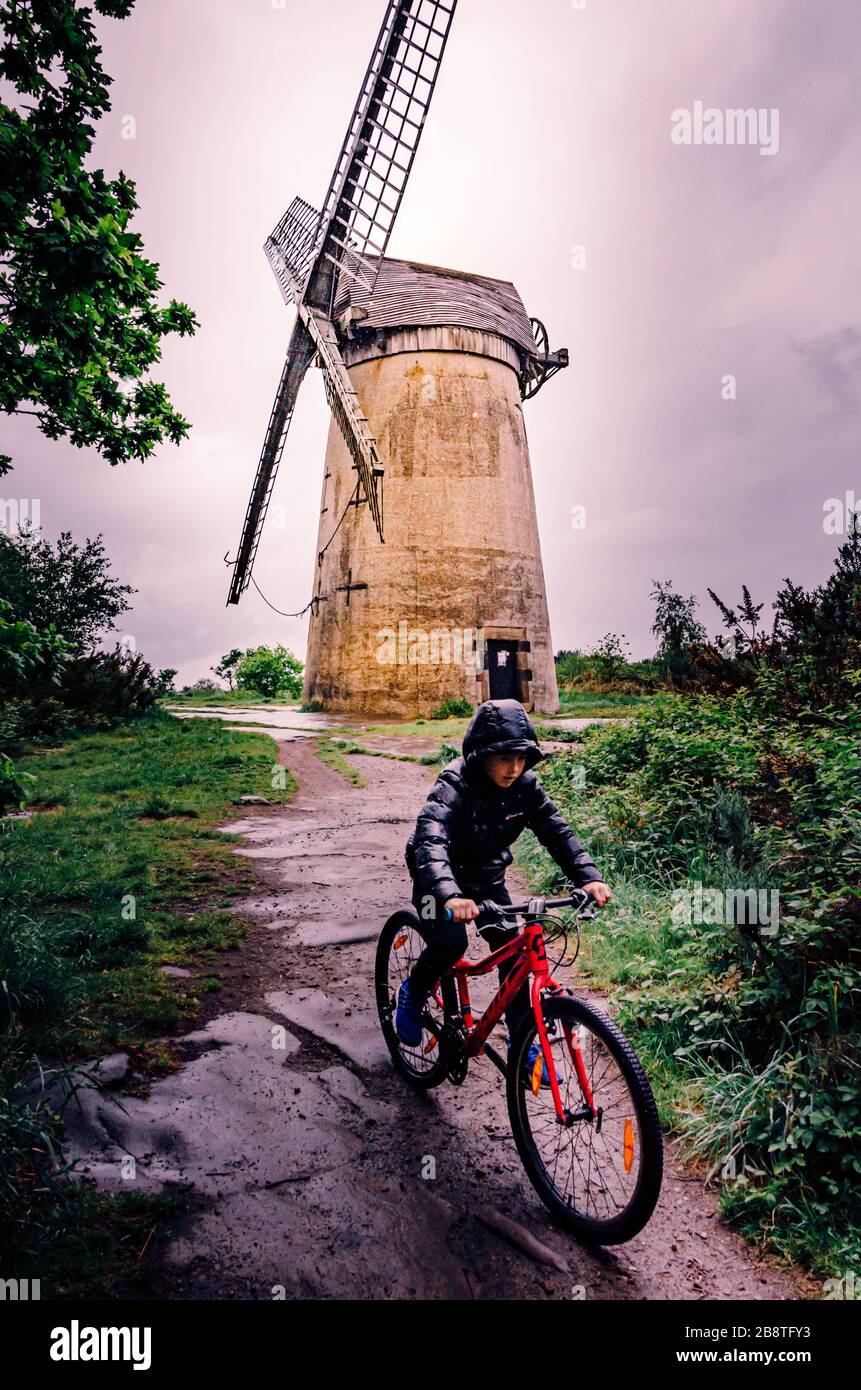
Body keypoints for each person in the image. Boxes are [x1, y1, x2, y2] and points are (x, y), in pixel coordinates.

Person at [396, 698, 612, 1057]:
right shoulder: (455, 782)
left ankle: (521, 1041)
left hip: (486, 877)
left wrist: (587, 877)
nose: (514, 768)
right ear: (480, 754)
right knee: (451, 944)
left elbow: (557, 832)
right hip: (437, 879)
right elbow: (430, 838)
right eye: (504, 758)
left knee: (514, 954)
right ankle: (414, 991)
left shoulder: (526, 786)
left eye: (521, 758)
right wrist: (449, 895)